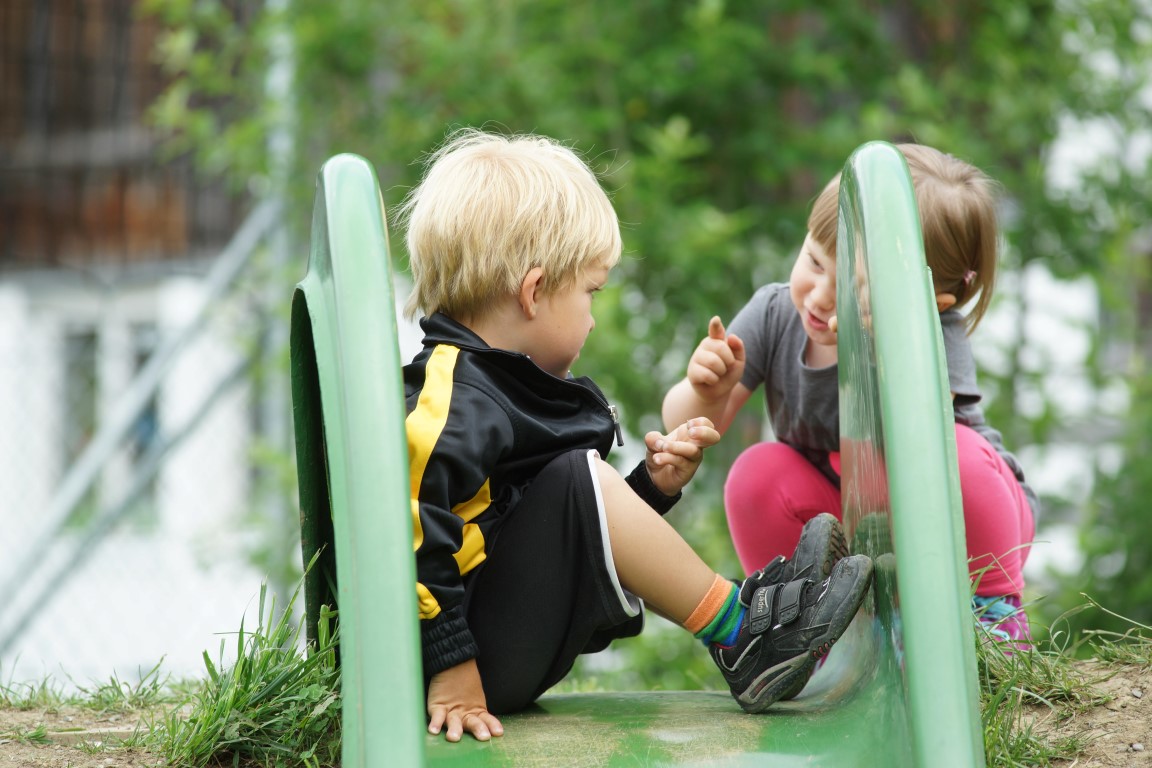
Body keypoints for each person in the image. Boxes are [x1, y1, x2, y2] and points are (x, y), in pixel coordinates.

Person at [396, 128, 874, 743]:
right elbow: (408, 526)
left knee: (576, 478)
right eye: (590, 293)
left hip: (491, 640)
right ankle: (743, 633)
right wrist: (450, 667)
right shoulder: (451, 398)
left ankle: (748, 624)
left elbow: (556, 528)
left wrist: (650, 489)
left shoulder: (499, 385)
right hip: (461, 664)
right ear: (534, 292)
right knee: (577, 476)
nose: (594, 318)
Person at [662, 143, 1036, 647]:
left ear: (930, 302)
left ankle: (993, 618)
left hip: (946, 519)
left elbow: (921, 434)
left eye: (850, 289)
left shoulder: (931, 331)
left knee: (961, 456)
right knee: (755, 474)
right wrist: (706, 391)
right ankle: (802, 628)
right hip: (847, 516)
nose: (819, 297)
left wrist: (894, 340)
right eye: (815, 262)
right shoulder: (775, 314)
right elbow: (684, 427)